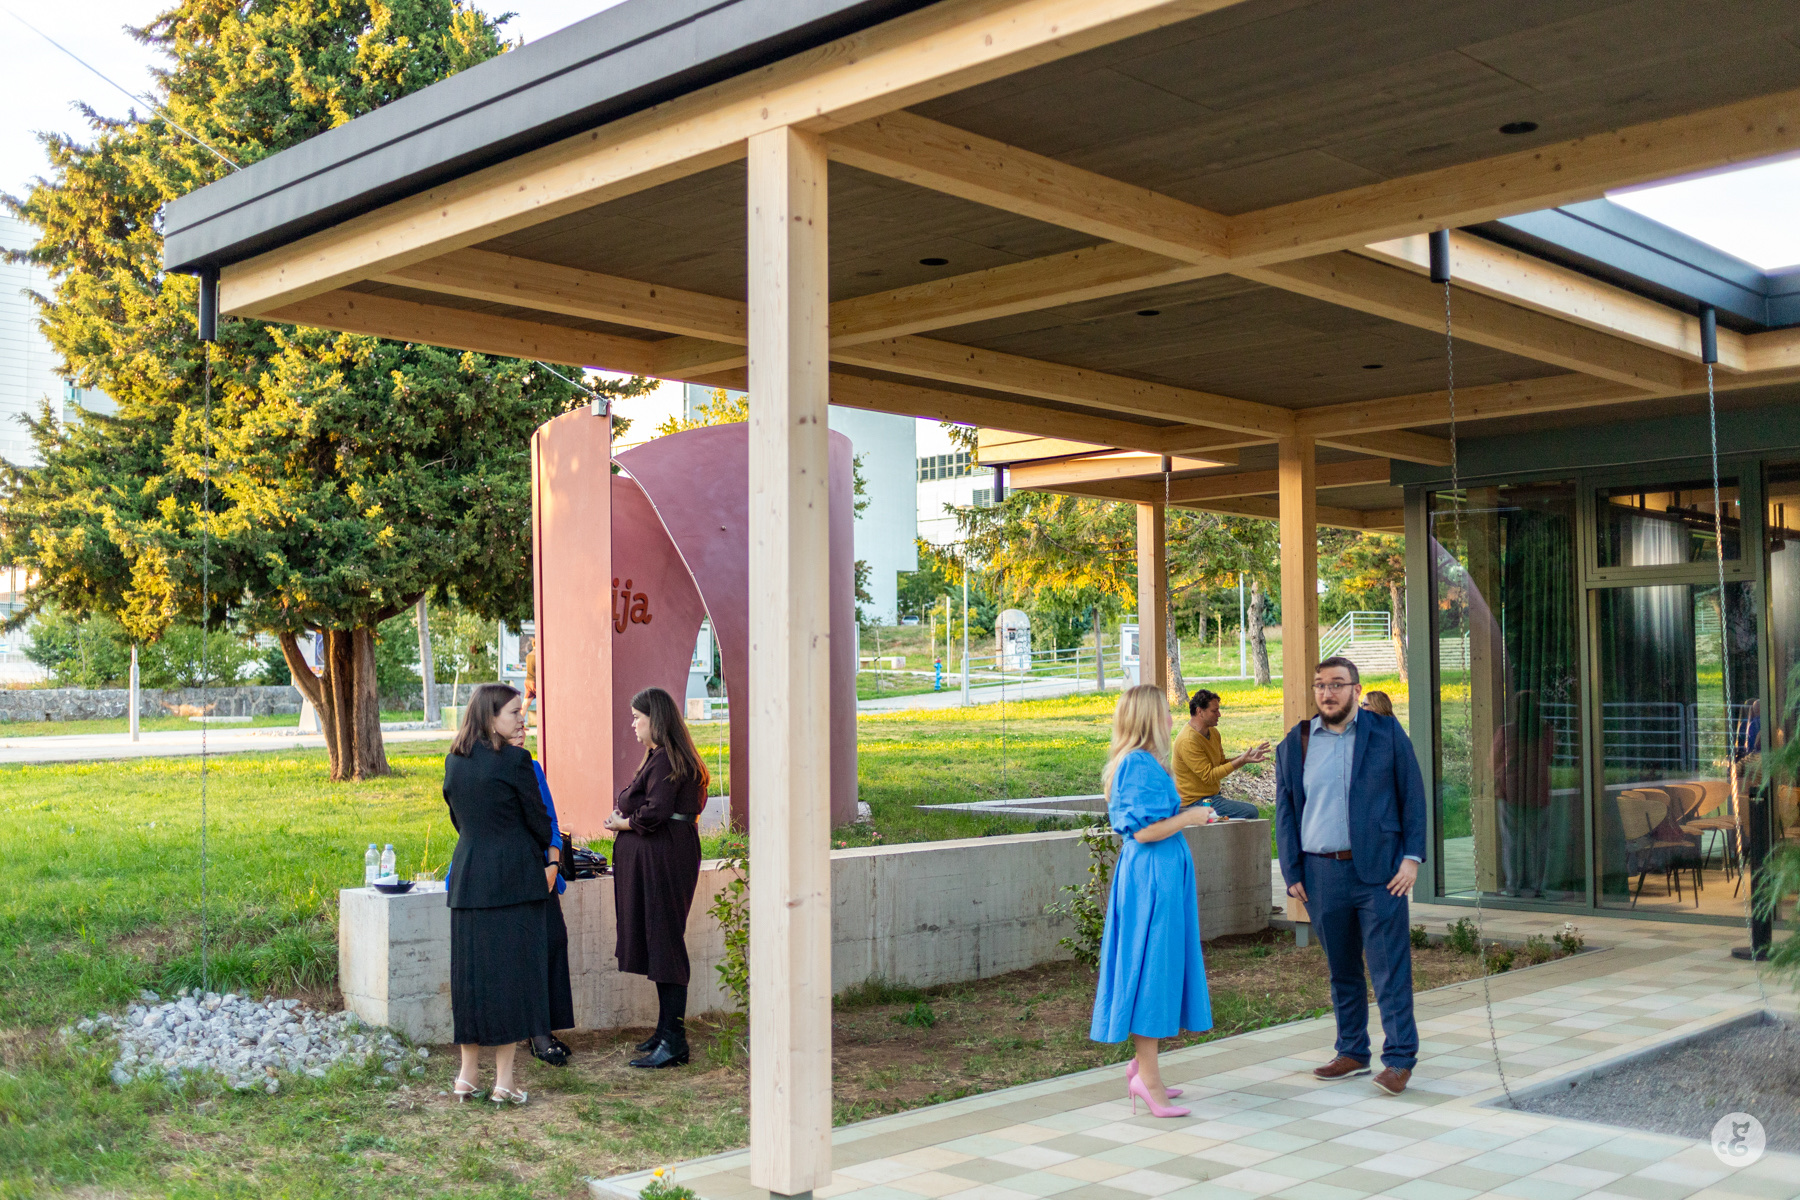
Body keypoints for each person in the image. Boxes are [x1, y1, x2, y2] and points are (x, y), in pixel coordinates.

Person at [1275, 657, 1426, 1096]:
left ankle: (1399, 1059)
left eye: (1337, 684)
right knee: (1341, 969)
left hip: (1381, 873)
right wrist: (1292, 870)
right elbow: (1286, 809)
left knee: (1389, 969)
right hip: (1321, 874)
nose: (1327, 693)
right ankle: (1353, 1051)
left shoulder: (1386, 733)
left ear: (1356, 690)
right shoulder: (1298, 742)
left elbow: (1413, 795)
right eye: (1320, 685)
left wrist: (1412, 858)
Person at [1089, 685, 1213, 1118]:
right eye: (1164, 711)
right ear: (1148, 718)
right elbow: (1143, 832)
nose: (1171, 717)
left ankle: (1142, 1067)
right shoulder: (1137, 764)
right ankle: (1148, 1079)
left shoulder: (1142, 761)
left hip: (1159, 874)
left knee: (1159, 967)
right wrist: (1191, 816)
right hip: (1152, 878)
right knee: (1152, 971)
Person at [443, 683, 556, 1105]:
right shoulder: (516, 761)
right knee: (512, 979)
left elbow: (459, 820)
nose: (521, 719)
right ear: (490, 717)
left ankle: (466, 1076)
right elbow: (540, 822)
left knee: (470, 980)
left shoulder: (453, 761)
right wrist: (550, 855)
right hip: (513, 881)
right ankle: (504, 1081)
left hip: (468, 879)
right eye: (513, 712)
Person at [604, 686, 707, 1068]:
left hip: (665, 857)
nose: (633, 724)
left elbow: (656, 810)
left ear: (656, 720)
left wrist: (625, 823)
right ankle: (665, 1030)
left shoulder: (666, 759)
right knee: (661, 938)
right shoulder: (661, 756)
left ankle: (674, 1041)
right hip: (662, 854)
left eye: (637, 718)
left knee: (665, 941)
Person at [504, 718, 574, 1066]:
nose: (522, 731)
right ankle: (537, 1034)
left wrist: (554, 863)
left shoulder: (532, 767)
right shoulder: (485, 770)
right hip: (508, 874)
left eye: (524, 726)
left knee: (554, 940)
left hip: (541, 869)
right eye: (514, 724)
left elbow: (552, 823)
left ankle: (545, 1026)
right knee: (525, 952)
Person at [1172, 688, 1270, 820]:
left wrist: (1246, 757)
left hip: (1211, 797)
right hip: (1193, 803)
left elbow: (1221, 764)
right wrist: (1241, 760)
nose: (1219, 714)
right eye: (1214, 711)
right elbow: (1208, 776)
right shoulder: (1188, 740)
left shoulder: (1213, 732)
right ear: (1199, 711)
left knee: (1248, 811)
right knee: (1250, 812)